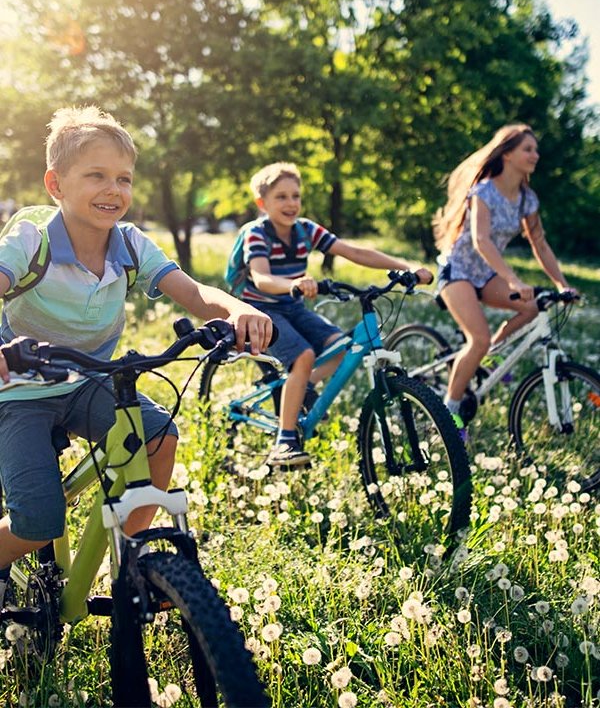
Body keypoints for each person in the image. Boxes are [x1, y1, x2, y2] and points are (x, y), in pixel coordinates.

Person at [0, 106, 272, 601]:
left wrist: (237, 311)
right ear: (56, 184)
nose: (114, 190)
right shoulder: (31, 240)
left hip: (87, 380)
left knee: (159, 435)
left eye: (124, 178)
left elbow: (195, 294)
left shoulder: (129, 244)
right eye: (96, 175)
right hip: (18, 389)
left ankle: (130, 553)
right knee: (37, 523)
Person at [239, 161, 433, 468]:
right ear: (262, 203)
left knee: (342, 348)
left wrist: (403, 267)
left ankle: (302, 386)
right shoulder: (256, 234)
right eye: (281, 197)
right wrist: (293, 284)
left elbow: (354, 252)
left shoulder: (305, 229)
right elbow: (262, 278)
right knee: (303, 356)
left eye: (295, 196)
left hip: (292, 305)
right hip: (260, 309)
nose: (291, 203)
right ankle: (285, 441)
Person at [432, 123, 574, 438]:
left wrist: (563, 284)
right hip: (458, 272)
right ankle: (448, 417)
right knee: (478, 338)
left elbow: (540, 244)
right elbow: (481, 241)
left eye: (536, 150)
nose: (535, 155)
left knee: (533, 308)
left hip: (486, 275)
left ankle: (488, 359)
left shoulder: (527, 199)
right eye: (528, 149)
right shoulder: (483, 192)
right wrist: (512, 280)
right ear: (507, 154)